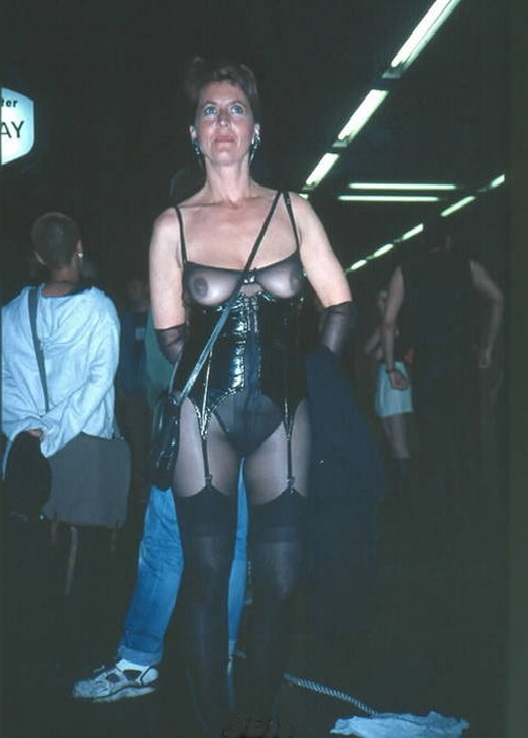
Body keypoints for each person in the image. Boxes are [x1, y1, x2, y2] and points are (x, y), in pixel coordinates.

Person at [147, 55, 353, 736]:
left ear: (255, 128)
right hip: (202, 419)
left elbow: (339, 302)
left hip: (283, 417)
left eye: (236, 109)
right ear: (193, 133)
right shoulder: (173, 225)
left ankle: (257, 716)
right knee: (207, 577)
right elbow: (171, 336)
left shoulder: (293, 210)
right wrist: (206, 395)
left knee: (283, 579)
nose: (223, 121)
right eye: (209, 110)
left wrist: (310, 375)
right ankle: (215, 724)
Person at [72, 309, 249, 706]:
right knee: (234, 542)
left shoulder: (187, 270)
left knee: (164, 544)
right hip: (255, 413)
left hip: (198, 410)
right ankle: (219, 656)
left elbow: (163, 358)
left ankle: (138, 661)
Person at [1, 212, 120, 724]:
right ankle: (72, 658)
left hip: (29, 448)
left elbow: (5, 381)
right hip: (84, 445)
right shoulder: (99, 309)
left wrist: (29, 429)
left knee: (41, 549)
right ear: (79, 247)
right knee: (82, 553)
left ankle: (37, 655)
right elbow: (100, 380)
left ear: (36, 255)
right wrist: (59, 430)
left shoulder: (11, 313)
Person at [381, 218, 504, 535]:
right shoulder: (468, 267)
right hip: (462, 363)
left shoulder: (405, 271)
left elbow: (389, 321)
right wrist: (488, 346)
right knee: (465, 435)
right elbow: (497, 299)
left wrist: (391, 367)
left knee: (433, 440)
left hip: (428, 366)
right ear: (448, 241)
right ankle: (471, 514)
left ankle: (439, 519)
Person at [364, 287, 413, 501]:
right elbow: (369, 350)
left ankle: (405, 495)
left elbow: (376, 352)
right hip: (385, 378)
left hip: (395, 376)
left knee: (399, 440)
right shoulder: (384, 326)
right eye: (379, 300)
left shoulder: (397, 325)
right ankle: (398, 489)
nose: (381, 304)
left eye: (385, 299)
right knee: (389, 435)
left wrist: (381, 347)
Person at [115, 274, 151, 506]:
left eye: (135, 286)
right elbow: (117, 356)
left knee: (157, 442)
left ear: (146, 287)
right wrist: (120, 388)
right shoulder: (124, 320)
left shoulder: (158, 318)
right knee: (137, 445)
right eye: (129, 287)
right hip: (132, 394)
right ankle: (140, 493)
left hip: (157, 391)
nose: (131, 291)